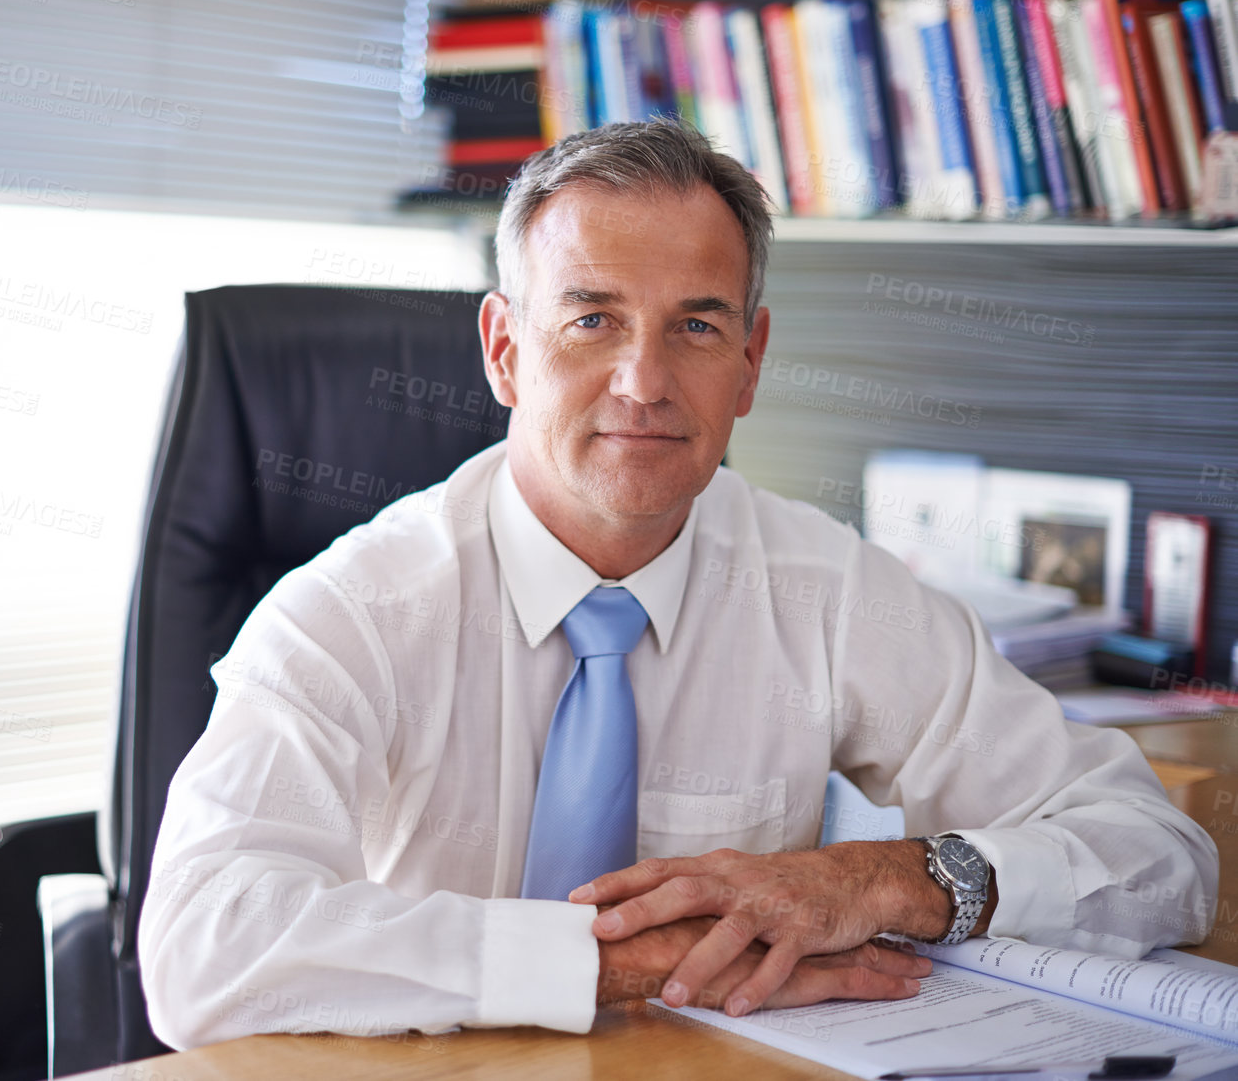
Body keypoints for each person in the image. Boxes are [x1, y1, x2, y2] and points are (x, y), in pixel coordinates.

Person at [138, 119, 1217, 1049]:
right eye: (592, 317)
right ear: (506, 349)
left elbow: (1159, 856)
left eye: (695, 326)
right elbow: (201, 944)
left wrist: (894, 879)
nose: (644, 384)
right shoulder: (354, 612)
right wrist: (620, 957)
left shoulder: (825, 587)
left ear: (750, 363)